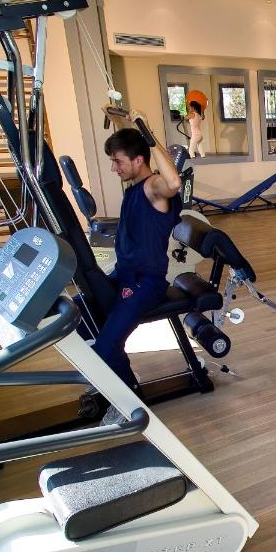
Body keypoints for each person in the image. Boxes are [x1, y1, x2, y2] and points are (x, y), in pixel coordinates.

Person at [95, 111, 182, 409]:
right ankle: (111, 380)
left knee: (106, 347)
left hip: (146, 284)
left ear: (138, 160)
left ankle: (130, 405)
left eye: (117, 162)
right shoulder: (134, 187)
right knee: (83, 317)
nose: (113, 168)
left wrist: (147, 130)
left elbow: (173, 182)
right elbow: (132, 145)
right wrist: (120, 121)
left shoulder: (153, 187)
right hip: (125, 276)